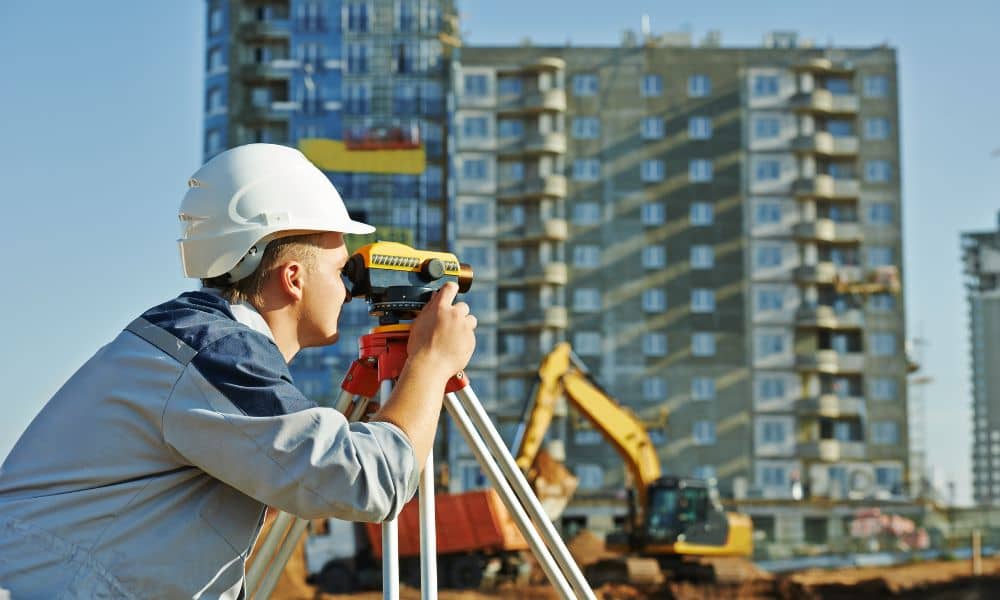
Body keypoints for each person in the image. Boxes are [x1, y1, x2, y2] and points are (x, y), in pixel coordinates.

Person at [0, 143, 477, 598]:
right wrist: (431, 364)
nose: (348, 287)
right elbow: (371, 483)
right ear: (293, 278)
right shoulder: (216, 354)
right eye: (339, 271)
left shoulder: (191, 342)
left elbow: (279, 485)